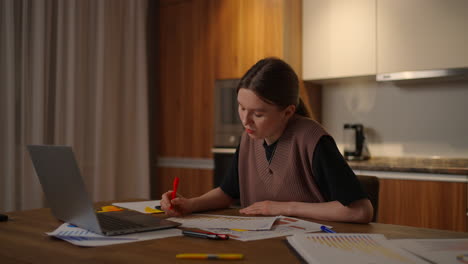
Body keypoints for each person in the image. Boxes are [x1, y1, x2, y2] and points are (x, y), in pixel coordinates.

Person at [161, 57, 373, 223]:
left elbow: (360, 211)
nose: (245, 120)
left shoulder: (312, 139)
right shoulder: (249, 139)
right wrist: (189, 204)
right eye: (242, 108)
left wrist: (283, 207)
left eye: (258, 114)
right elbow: (227, 193)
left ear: (288, 112)